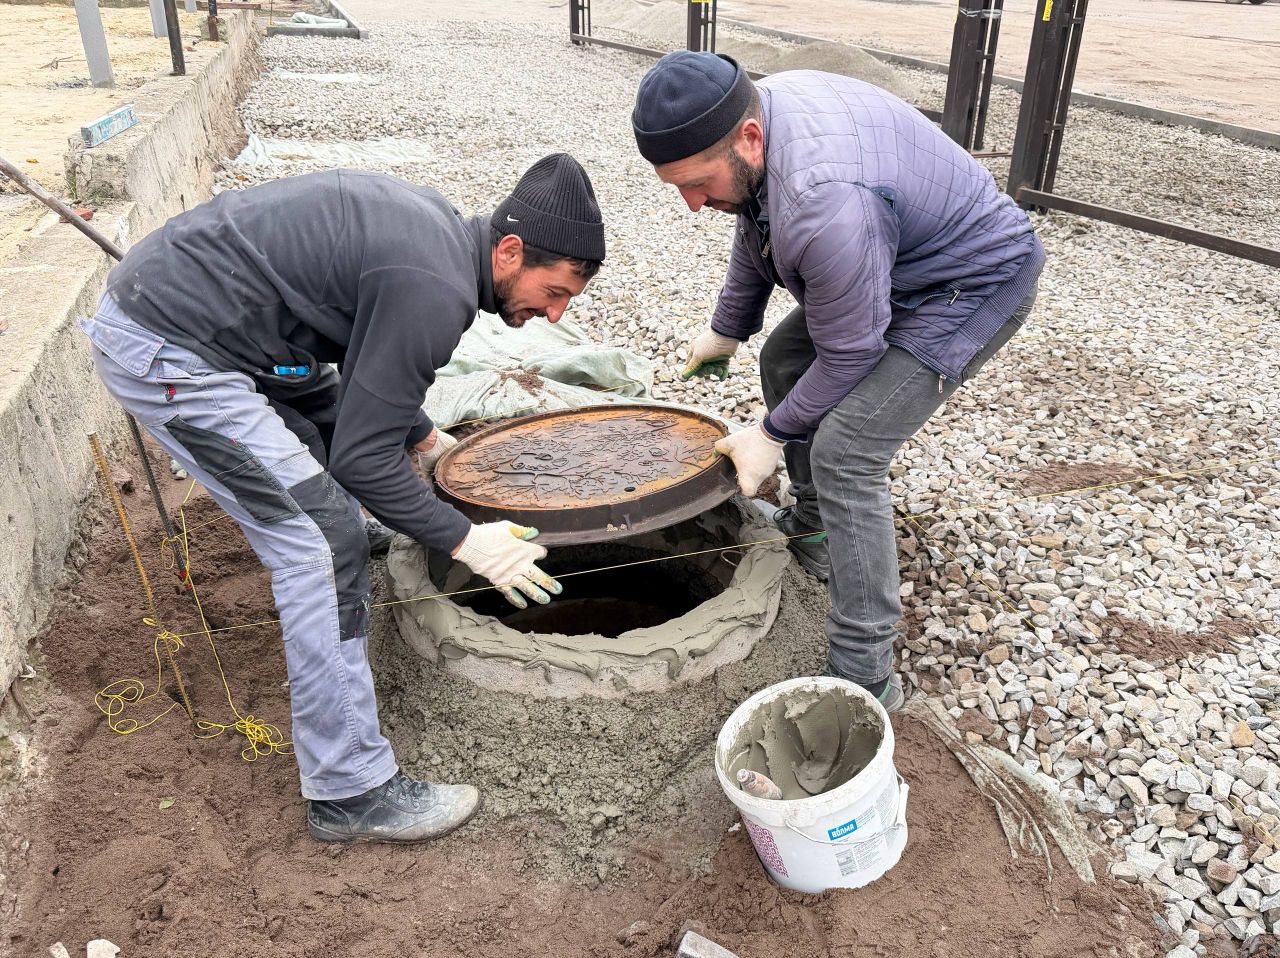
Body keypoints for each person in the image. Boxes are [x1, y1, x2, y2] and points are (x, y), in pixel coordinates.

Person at [79, 154, 606, 840]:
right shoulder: (436, 289)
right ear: (509, 252)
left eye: (569, 302)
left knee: (333, 455)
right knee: (325, 542)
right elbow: (361, 457)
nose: (553, 313)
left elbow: (364, 362)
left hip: (239, 329)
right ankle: (348, 789)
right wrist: (466, 540)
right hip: (175, 349)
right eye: (554, 290)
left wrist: (424, 440)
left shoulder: (438, 236)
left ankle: (359, 572)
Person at [631, 53, 1044, 712]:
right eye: (675, 185)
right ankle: (817, 535)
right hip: (897, 255)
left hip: (972, 281)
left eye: (697, 182)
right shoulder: (757, 121)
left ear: (749, 138)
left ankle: (865, 673)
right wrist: (729, 327)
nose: (690, 204)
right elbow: (753, 217)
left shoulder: (824, 202)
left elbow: (852, 354)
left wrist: (770, 433)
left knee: (848, 451)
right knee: (783, 362)